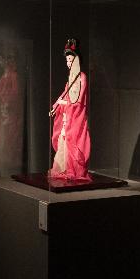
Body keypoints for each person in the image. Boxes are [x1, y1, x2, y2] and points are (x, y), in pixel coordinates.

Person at [48, 38, 91, 181]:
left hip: (75, 118)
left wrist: (64, 103)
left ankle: (74, 170)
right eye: (67, 60)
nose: (68, 63)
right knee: (62, 142)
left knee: (72, 142)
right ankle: (63, 168)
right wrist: (56, 106)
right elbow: (64, 94)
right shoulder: (70, 79)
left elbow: (77, 101)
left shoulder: (82, 77)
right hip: (67, 116)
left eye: (70, 60)